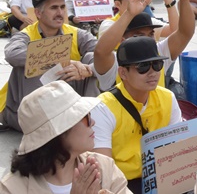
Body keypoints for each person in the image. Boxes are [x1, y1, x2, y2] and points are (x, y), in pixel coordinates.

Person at [1, 0, 112, 131]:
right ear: (38, 13)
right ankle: (45, 124)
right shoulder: (26, 35)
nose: (60, 13)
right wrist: (61, 61)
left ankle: (91, 120)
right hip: (28, 111)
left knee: (92, 59)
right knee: (32, 62)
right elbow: (12, 54)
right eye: (53, 8)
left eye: (62, 7)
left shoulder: (76, 33)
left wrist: (88, 70)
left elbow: (102, 53)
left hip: (68, 103)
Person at [0, 81, 130, 194]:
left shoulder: (104, 168)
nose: (93, 122)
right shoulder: (12, 188)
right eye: (85, 117)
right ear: (59, 132)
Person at [91, 37, 183, 194]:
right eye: (143, 67)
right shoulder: (103, 107)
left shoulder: (168, 97)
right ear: (123, 73)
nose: (153, 73)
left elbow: (178, 149)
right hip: (121, 183)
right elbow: (103, 170)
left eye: (157, 65)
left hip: (161, 178)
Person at [93, 0, 194, 91]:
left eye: (157, 65)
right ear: (122, 40)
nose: (152, 73)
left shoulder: (158, 51)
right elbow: (101, 51)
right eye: (138, 36)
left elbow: (184, 33)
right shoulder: (114, 64)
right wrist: (129, 14)